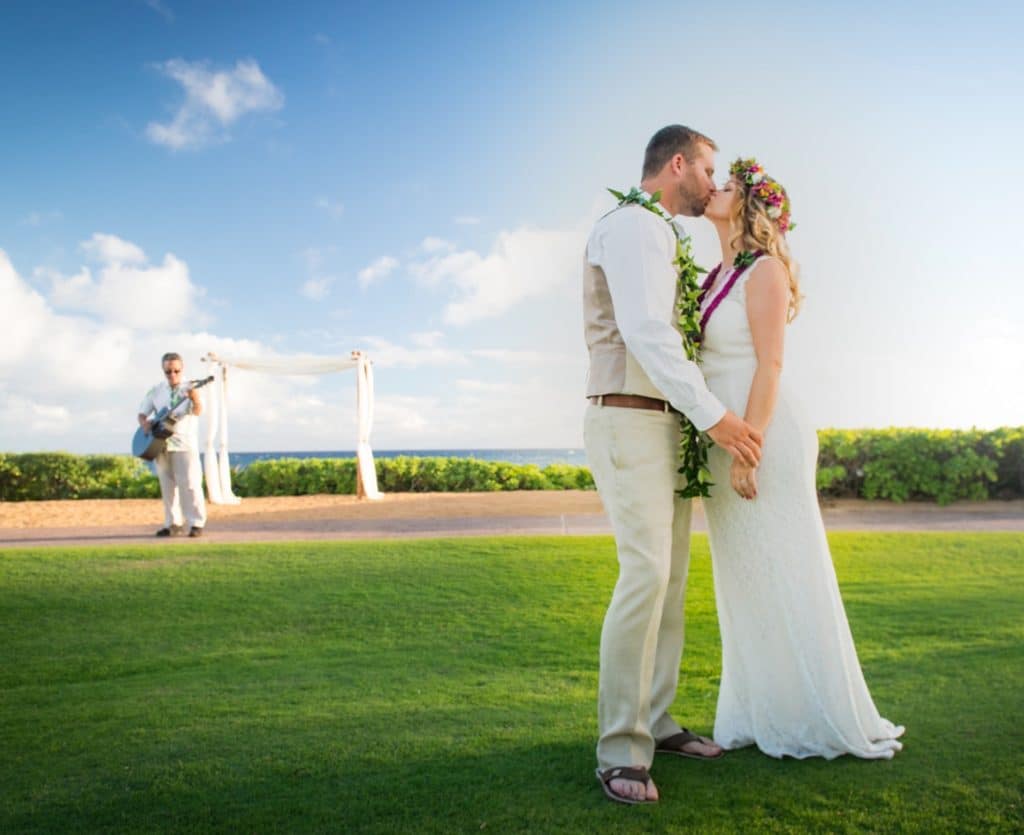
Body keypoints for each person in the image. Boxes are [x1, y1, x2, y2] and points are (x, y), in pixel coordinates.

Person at [699, 158, 904, 758]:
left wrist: (749, 450)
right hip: (725, 439)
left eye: (729, 184)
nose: (716, 188)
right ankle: (764, 711)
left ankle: (814, 714)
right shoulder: (716, 277)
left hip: (764, 437)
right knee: (746, 580)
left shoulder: (764, 271)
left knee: (786, 568)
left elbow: (771, 364)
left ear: (751, 205)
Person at [583, 125, 764, 805]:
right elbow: (646, 331)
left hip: (666, 424)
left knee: (672, 577)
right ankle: (620, 749)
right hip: (627, 415)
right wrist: (717, 415)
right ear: (678, 163)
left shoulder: (663, 233)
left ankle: (656, 720)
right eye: (709, 169)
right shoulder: (633, 224)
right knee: (647, 572)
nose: (716, 184)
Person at [138, 352, 207, 538]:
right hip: (160, 444)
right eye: (168, 371)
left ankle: (196, 523)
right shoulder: (156, 390)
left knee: (190, 484)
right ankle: (172, 524)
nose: (173, 374)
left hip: (184, 443)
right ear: (164, 370)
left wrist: (195, 398)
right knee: (167, 487)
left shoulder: (191, 387)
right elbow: (142, 413)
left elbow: (198, 411)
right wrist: (145, 424)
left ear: (182, 369)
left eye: (176, 370)